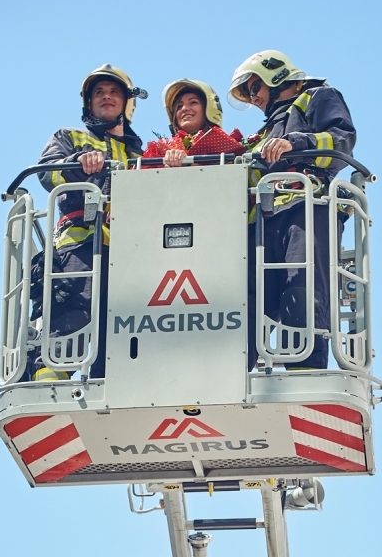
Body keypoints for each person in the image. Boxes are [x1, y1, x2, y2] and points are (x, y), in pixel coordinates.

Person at [229, 50, 356, 370]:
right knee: (246, 302)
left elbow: (341, 143)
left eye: (254, 88)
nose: (253, 98)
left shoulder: (318, 97)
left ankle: (303, 370)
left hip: (305, 210)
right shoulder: (264, 132)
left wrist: (295, 143)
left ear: (274, 76)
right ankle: (235, 374)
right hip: (263, 221)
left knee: (300, 293)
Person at [30, 65, 145, 381]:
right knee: (76, 308)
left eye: (113, 92)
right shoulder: (70, 138)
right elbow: (47, 173)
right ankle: (51, 374)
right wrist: (78, 167)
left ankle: (109, 380)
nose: (106, 97)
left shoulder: (143, 155)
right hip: (80, 243)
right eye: (99, 93)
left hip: (132, 250)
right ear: (88, 103)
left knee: (126, 319)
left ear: (127, 103)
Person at [143, 79, 243, 166]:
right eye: (179, 106)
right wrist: (168, 165)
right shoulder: (161, 154)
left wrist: (191, 163)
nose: (185, 109)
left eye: (193, 102)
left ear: (208, 108)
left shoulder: (233, 154)